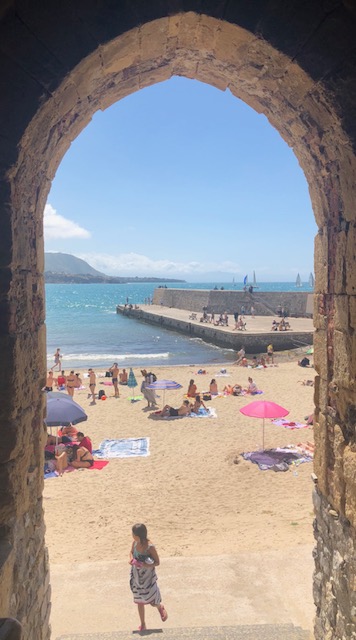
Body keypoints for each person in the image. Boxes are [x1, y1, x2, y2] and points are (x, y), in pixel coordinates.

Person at [129, 523, 168, 632]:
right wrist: (131, 560)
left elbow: (157, 562)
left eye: (133, 533)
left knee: (152, 601)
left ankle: (160, 607)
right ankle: (143, 624)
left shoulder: (150, 547)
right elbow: (131, 553)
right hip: (136, 577)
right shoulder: (135, 543)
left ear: (138, 535)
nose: (132, 535)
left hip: (148, 578)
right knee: (139, 601)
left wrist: (144, 565)